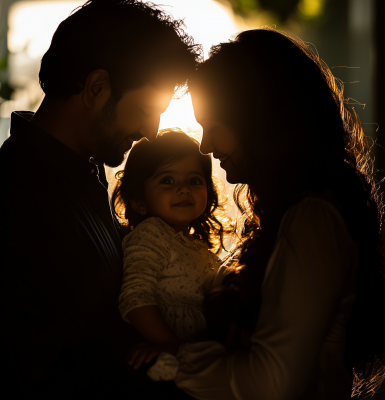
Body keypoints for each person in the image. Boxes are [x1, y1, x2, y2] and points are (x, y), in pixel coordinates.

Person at [146, 28, 385, 399]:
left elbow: (271, 382)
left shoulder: (313, 221)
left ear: (256, 120)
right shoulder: (286, 214)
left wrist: (169, 359)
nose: (206, 145)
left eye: (213, 127)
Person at [0, 0, 201, 398]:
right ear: (96, 88)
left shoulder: (83, 171)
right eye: (144, 110)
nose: (152, 131)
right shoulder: (13, 203)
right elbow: (52, 373)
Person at [111, 130, 231, 369]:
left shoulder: (195, 246)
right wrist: (171, 344)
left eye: (195, 181)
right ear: (139, 201)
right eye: (167, 180)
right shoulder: (151, 233)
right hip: (172, 360)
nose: (184, 189)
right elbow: (136, 296)